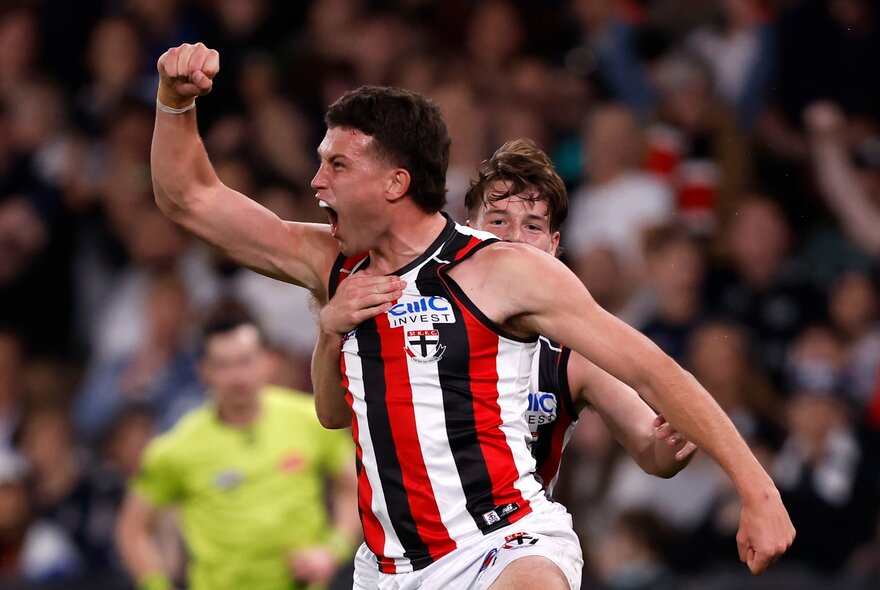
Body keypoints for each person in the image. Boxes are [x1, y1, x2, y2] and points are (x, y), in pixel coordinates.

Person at [150, 42, 794, 589]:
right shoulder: (333, 265)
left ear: (395, 182)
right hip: (388, 569)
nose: (316, 181)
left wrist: (757, 490)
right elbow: (190, 199)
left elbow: (651, 367)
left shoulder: (503, 271)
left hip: (503, 544)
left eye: (336, 164)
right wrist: (175, 102)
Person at [313, 139, 699, 586]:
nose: (513, 238)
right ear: (465, 232)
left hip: (508, 546)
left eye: (532, 226)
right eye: (498, 221)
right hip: (400, 558)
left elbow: (651, 450)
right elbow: (332, 414)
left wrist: (674, 443)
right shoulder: (412, 314)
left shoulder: (575, 355)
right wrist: (329, 332)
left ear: (554, 245)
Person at [115, 308, 359, 590]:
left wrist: (333, 549)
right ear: (203, 371)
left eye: (245, 361)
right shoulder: (177, 448)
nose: (237, 376)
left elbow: (353, 488)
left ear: (267, 362)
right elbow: (132, 529)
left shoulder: (311, 419)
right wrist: (157, 585)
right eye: (223, 365)